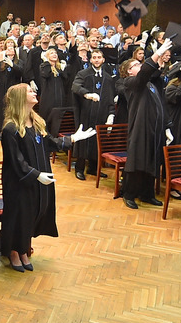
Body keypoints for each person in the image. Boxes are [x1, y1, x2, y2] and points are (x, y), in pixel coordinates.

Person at [0, 84, 93, 271]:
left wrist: (72, 139)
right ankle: (14, 252)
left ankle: (23, 250)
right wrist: (36, 175)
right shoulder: (11, 129)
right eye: (29, 91)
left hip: (39, 178)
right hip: (19, 182)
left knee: (33, 214)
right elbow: (16, 161)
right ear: (20, 98)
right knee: (19, 216)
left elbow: (50, 143)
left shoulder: (36, 122)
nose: (34, 93)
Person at [120, 40, 172, 209]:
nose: (139, 65)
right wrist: (157, 54)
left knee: (152, 160)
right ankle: (129, 194)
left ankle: (147, 193)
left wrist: (166, 126)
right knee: (137, 161)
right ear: (129, 71)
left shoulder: (149, 84)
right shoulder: (130, 82)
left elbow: (160, 103)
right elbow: (144, 73)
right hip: (140, 128)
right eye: (135, 64)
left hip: (155, 129)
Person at [71, 47, 117, 180]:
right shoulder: (83, 73)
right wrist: (87, 94)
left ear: (103, 60)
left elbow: (110, 98)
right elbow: (75, 86)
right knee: (83, 141)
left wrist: (111, 114)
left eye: (99, 58)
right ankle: (79, 168)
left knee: (97, 141)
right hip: (85, 113)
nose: (97, 60)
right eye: (94, 58)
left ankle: (93, 168)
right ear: (90, 60)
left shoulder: (108, 78)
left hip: (101, 114)